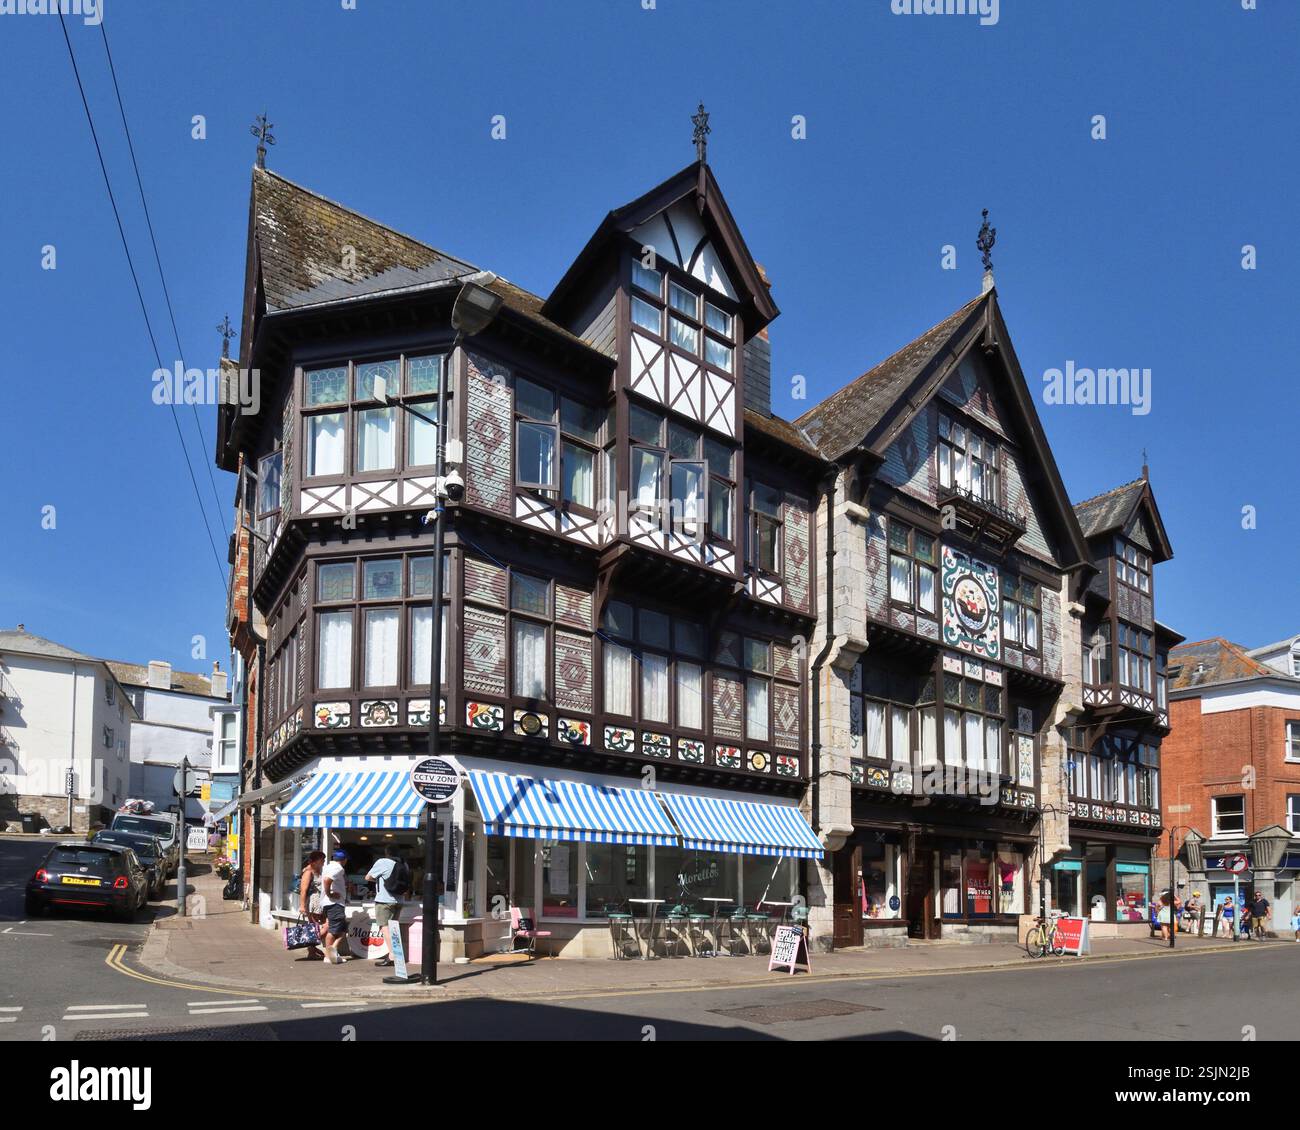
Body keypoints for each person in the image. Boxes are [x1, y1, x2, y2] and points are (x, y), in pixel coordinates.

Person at [365, 845, 410, 969]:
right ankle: (398, 955)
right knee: (393, 929)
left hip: (384, 900)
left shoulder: (382, 862)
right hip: (399, 900)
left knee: (385, 928)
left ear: (386, 853)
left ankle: (392, 956)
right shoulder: (404, 864)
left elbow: (368, 877)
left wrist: (380, 879)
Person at [320, 849, 352, 965]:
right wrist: (330, 894)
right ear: (344, 860)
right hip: (334, 904)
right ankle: (328, 956)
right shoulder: (338, 868)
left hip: (333, 903)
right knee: (334, 931)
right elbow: (327, 880)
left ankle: (332, 953)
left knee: (342, 930)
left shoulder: (328, 866)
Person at [298, 851, 327, 961]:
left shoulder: (318, 870)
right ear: (315, 861)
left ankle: (311, 950)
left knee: (324, 926)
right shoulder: (308, 872)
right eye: (322, 860)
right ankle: (311, 948)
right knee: (314, 927)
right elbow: (303, 890)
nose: (324, 862)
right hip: (313, 902)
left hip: (320, 901)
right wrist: (302, 906)